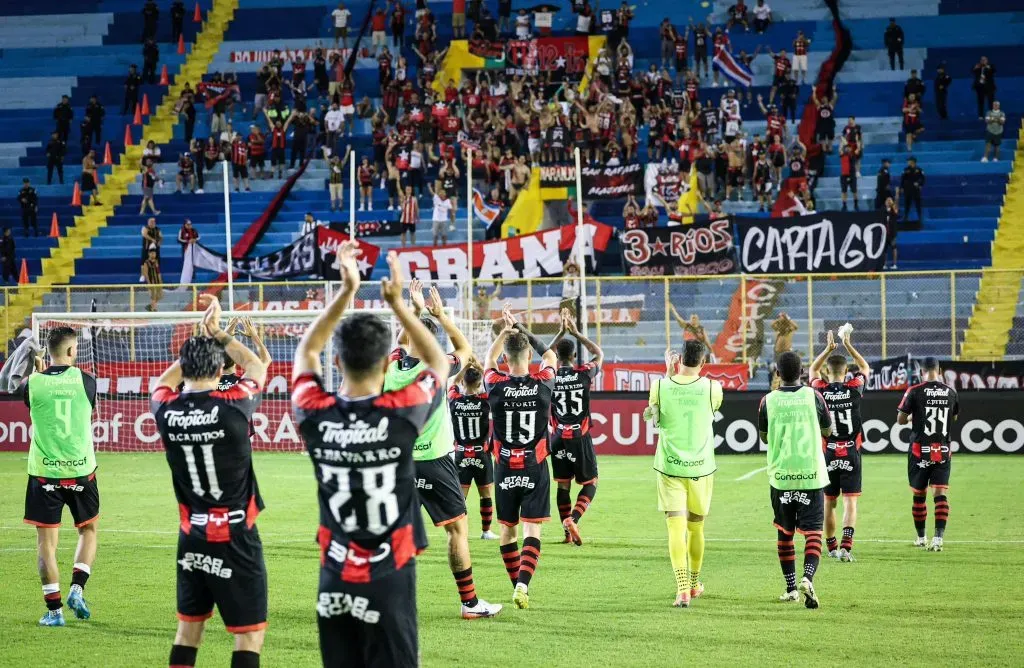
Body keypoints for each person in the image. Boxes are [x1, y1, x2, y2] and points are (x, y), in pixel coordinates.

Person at [291, 247, 446, 666]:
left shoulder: (316, 415)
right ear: (386, 363)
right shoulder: (401, 413)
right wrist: (399, 303)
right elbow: (438, 362)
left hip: (335, 575)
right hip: (389, 574)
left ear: (337, 360)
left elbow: (305, 353)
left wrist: (347, 291)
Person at [151, 295, 269, 668]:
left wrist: (193, 350)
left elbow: (161, 383)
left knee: (188, 632)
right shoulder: (235, 404)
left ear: (184, 370)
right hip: (236, 534)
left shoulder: (165, 410)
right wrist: (217, 333)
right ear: (222, 371)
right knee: (248, 634)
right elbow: (255, 365)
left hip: (192, 535)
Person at [384, 281, 503, 620]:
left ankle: (380, 602)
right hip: (434, 462)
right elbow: (464, 348)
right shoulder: (438, 368)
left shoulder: (392, 368)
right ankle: (469, 604)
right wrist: (441, 315)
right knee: (457, 530)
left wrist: (415, 312)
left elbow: (398, 342)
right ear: (432, 341)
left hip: (399, 463)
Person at [20, 327, 99, 626]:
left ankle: (54, 612)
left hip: (44, 474)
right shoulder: (87, 381)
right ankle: (77, 589)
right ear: (70, 351)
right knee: (88, 530)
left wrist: (41, 375)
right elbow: (85, 406)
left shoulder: (34, 383)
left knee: (46, 545)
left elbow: (35, 398)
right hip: (81, 470)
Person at [485, 305, 557, 610]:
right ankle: (523, 586)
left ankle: (515, 583)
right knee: (532, 530)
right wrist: (521, 328)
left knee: (507, 531)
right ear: (529, 357)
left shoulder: (495, 384)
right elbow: (551, 355)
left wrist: (503, 331)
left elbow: (488, 359)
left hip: (503, 467)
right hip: (534, 465)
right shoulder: (543, 383)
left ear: (505, 359)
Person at [643, 340, 721, 608]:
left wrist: (668, 373)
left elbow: (656, 418)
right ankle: (695, 582)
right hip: (700, 467)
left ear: (678, 360)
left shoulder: (660, 386)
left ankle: (682, 589)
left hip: (670, 467)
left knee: (675, 527)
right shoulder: (713, 388)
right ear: (703, 362)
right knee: (696, 527)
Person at [758, 351, 832, 609]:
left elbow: (765, 437)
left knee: (785, 532)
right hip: (810, 474)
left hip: (781, 476)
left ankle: (790, 588)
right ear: (802, 373)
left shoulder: (767, 401)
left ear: (777, 374)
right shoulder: (814, 396)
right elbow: (827, 430)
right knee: (813, 532)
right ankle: (807, 577)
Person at [809, 329, 870, 562]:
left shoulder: (820, 390)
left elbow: (813, 370)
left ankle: (831, 547)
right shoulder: (854, 387)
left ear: (827, 371)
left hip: (828, 453)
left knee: (829, 501)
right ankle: (846, 548)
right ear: (846, 371)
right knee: (850, 501)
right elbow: (864, 368)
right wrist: (848, 344)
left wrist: (827, 349)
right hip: (851, 451)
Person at [547, 309, 604, 546]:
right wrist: (577, 333)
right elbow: (598, 353)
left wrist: (560, 332)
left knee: (562, 484)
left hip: (558, 437)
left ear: (557, 357)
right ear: (573, 356)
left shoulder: (549, 375)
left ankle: (566, 534)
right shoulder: (583, 374)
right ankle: (573, 519)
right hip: (579, 438)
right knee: (590, 483)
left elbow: (544, 354)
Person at [897, 356, 958, 552]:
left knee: (919, 495)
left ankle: (921, 537)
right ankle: (938, 539)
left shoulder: (914, 391)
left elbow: (900, 419)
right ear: (939, 371)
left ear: (921, 371)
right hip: (942, 449)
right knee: (940, 494)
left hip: (919, 450)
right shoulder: (951, 391)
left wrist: (915, 417)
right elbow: (953, 417)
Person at [449, 360, 498, 540]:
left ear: (463, 382)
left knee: (461, 497)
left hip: (461, 453)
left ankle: (461, 533)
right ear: (479, 384)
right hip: (481, 454)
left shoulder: (454, 399)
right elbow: (491, 382)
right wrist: (478, 366)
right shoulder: (484, 401)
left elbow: (453, 383)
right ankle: (486, 531)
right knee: (485, 494)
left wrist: (464, 368)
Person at [898, 156, 925, 223]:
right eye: (908, 161)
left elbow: (923, 179)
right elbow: (902, 179)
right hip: (907, 189)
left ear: (913, 162)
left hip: (916, 189)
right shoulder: (905, 170)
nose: (908, 162)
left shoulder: (919, 170)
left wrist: (919, 183)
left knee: (918, 203)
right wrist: (901, 187)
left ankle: (920, 216)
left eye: (909, 161)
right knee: (907, 203)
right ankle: (906, 216)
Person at [839, 145, 857, 211]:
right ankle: (844, 205)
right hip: (844, 175)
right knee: (844, 191)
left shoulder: (853, 155)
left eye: (849, 148)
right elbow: (840, 150)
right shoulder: (842, 155)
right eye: (846, 148)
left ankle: (856, 204)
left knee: (854, 191)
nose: (847, 149)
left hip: (852, 175)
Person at [884, 195, 900, 268]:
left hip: (892, 233)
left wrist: (896, 195)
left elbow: (896, 203)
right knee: (884, 249)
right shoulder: (883, 211)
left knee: (894, 248)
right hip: (885, 233)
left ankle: (894, 264)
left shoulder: (894, 210)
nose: (888, 201)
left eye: (890, 200)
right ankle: (884, 264)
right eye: (887, 200)